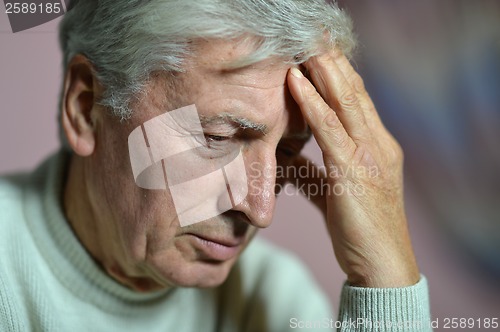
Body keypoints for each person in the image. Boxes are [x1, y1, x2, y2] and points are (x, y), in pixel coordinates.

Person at [0, 0, 432, 331]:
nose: (262, 210)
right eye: (219, 137)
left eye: (286, 152)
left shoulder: (275, 300)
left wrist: (386, 279)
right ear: (85, 106)